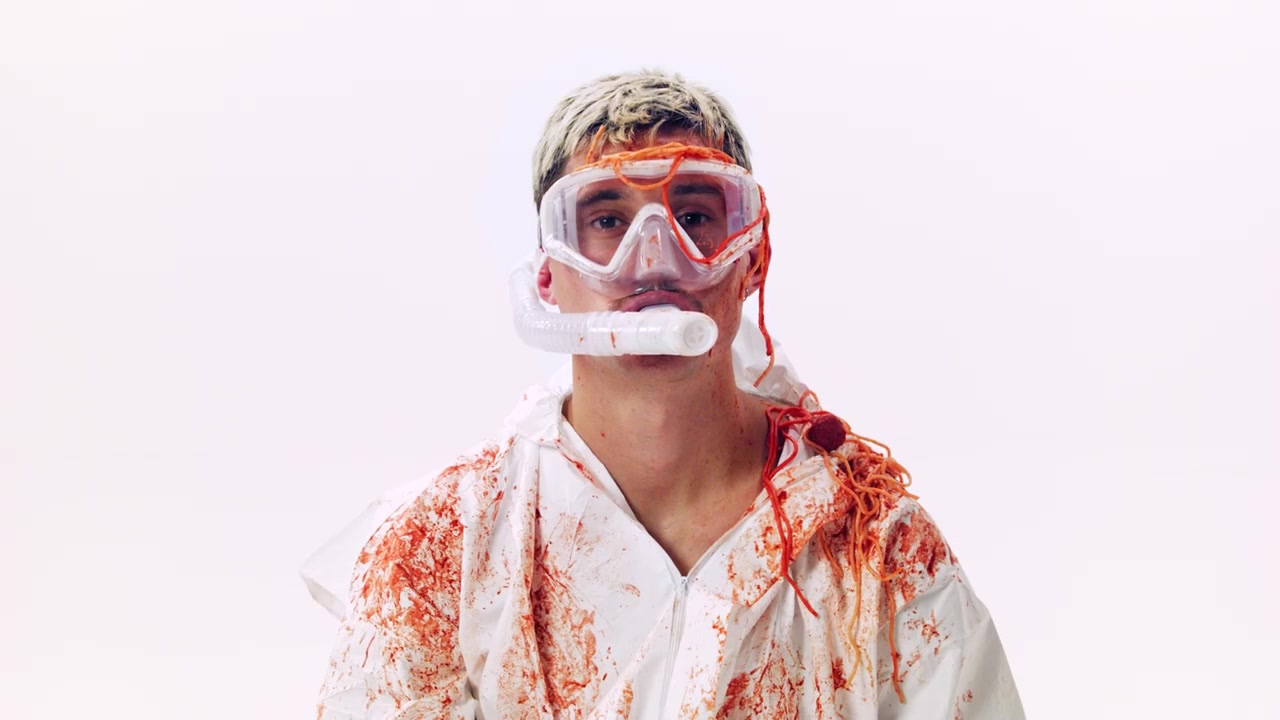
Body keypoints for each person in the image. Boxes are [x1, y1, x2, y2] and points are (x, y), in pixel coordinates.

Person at [306, 70, 1025, 719]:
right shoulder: (442, 547)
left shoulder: (877, 547)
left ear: (751, 259)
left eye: (696, 217)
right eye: (607, 221)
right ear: (547, 278)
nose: (655, 259)